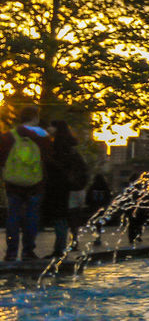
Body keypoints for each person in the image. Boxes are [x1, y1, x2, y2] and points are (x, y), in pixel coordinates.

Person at [1, 105, 51, 262]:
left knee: (13, 217)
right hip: (35, 184)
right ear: (35, 117)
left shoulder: (8, 136)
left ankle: (11, 253)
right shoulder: (43, 136)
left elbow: (1, 158)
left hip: (12, 183)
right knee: (32, 217)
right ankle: (28, 252)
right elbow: (48, 159)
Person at [42, 120, 88, 257]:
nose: (48, 128)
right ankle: (63, 246)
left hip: (59, 186)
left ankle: (60, 249)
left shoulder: (59, 145)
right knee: (65, 217)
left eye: (50, 126)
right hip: (68, 187)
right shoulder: (70, 145)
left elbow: (58, 167)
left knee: (60, 218)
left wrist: (48, 161)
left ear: (56, 128)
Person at [83, 173, 113, 245]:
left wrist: (88, 204)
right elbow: (108, 197)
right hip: (102, 207)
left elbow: (88, 197)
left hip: (94, 207)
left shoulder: (92, 187)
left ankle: (96, 237)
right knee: (99, 223)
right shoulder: (105, 187)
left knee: (94, 222)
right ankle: (98, 238)